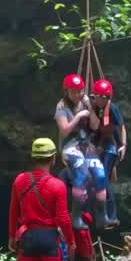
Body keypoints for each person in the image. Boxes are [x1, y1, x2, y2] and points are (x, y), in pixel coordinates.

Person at [54, 73, 108, 229]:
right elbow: (64, 131)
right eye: (74, 91)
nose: (78, 94)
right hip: (69, 147)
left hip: (86, 145)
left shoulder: (85, 100)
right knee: (82, 173)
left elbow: (95, 127)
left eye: (80, 90)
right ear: (67, 91)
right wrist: (78, 116)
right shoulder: (61, 107)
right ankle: (76, 217)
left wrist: (91, 111)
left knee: (100, 174)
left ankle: (101, 215)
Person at [89, 78, 127, 228]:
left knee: (103, 179)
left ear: (106, 97)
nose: (96, 99)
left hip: (110, 147)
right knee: (96, 179)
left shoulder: (113, 109)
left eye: (98, 96)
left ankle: (111, 216)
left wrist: (123, 144)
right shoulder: (97, 107)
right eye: (95, 96)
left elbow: (122, 127)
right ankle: (102, 215)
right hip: (100, 146)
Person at [56, 166, 96, 261]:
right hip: (65, 218)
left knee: (84, 257)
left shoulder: (84, 173)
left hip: (80, 220)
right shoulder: (65, 173)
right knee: (68, 257)